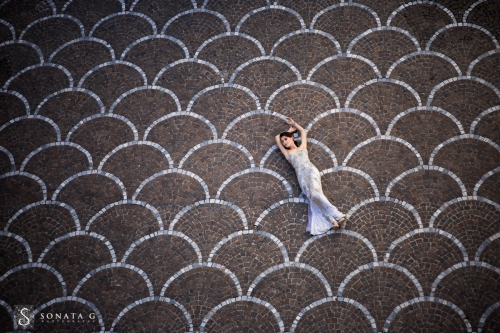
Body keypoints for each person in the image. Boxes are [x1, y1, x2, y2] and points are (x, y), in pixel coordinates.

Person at [275, 117, 347, 235]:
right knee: (313, 198)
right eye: (283, 141)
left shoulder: (302, 147)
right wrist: (289, 130)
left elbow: (302, 132)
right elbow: (276, 138)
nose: (284, 142)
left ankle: (337, 215)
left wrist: (294, 124)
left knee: (316, 194)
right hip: (301, 177)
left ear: (292, 138)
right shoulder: (287, 153)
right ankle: (332, 220)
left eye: (286, 139)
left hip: (311, 171)